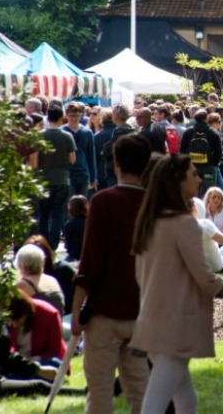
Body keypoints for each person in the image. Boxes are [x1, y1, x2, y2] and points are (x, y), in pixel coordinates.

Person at [130, 154, 223, 413]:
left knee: (186, 400)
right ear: (178, 180)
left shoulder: (150, 221)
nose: (199, 179)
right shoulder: (184, 224)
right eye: (193, 174)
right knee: (155, 404)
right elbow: (207, 280)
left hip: (151, 319)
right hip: (175, 323)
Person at [71, 134, 152, 414]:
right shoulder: (153, 205)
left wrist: (77, 305)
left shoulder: (104, 201)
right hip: (140, 311)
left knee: (100, 391)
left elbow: (91, 258)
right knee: (140, 388)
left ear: (116, 162)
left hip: (104, 312)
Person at [37, 104, 77, 250]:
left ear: (47, 118)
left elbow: (35, 161)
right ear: (62, 119)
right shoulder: (67, 136)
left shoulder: (39, 136)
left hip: (43, 179)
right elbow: (73, 159)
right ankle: (53, 245)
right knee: (57, 214)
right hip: (62, 179)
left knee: (43, 214)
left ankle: (42, 243)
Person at [8, 291, 66, 368]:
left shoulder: (49, 314)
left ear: (27, 312)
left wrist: (33, 361)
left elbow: (54, 349)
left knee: (53, 363)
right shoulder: (8, 319)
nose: (14, 325)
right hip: (19, 361)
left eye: (18, 321)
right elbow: (9, 348)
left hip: (43, 359)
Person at [14, 244, 66, 316]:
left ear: (20, 264)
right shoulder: (53, 280)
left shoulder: (22, 285)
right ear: (42, 261)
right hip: (57, 325)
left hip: (38, 326)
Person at [181, 109, 222, 195]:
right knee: (209, 192)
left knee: (192, 191)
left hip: (192, 166)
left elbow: (182, 149)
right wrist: (214, 163)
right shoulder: (213, 132)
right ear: (206, 118)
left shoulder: (188, 131)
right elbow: (218, 151)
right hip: (208, 166)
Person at [62, 102, 97, 197]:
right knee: (69, 204)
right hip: (68, 173)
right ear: (67, 115)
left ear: (81, 115)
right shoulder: (62, 131)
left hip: (83, 173)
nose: (74, 118)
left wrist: (93, 177)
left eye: (76, 115)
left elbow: (91, 155)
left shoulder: (87, 132)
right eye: (71, 115)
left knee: (82, 204)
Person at [63, 194, 87, 262]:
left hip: (75, 256)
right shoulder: (91, 222)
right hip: (88, 255)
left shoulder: (69, 224)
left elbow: (68, 246)